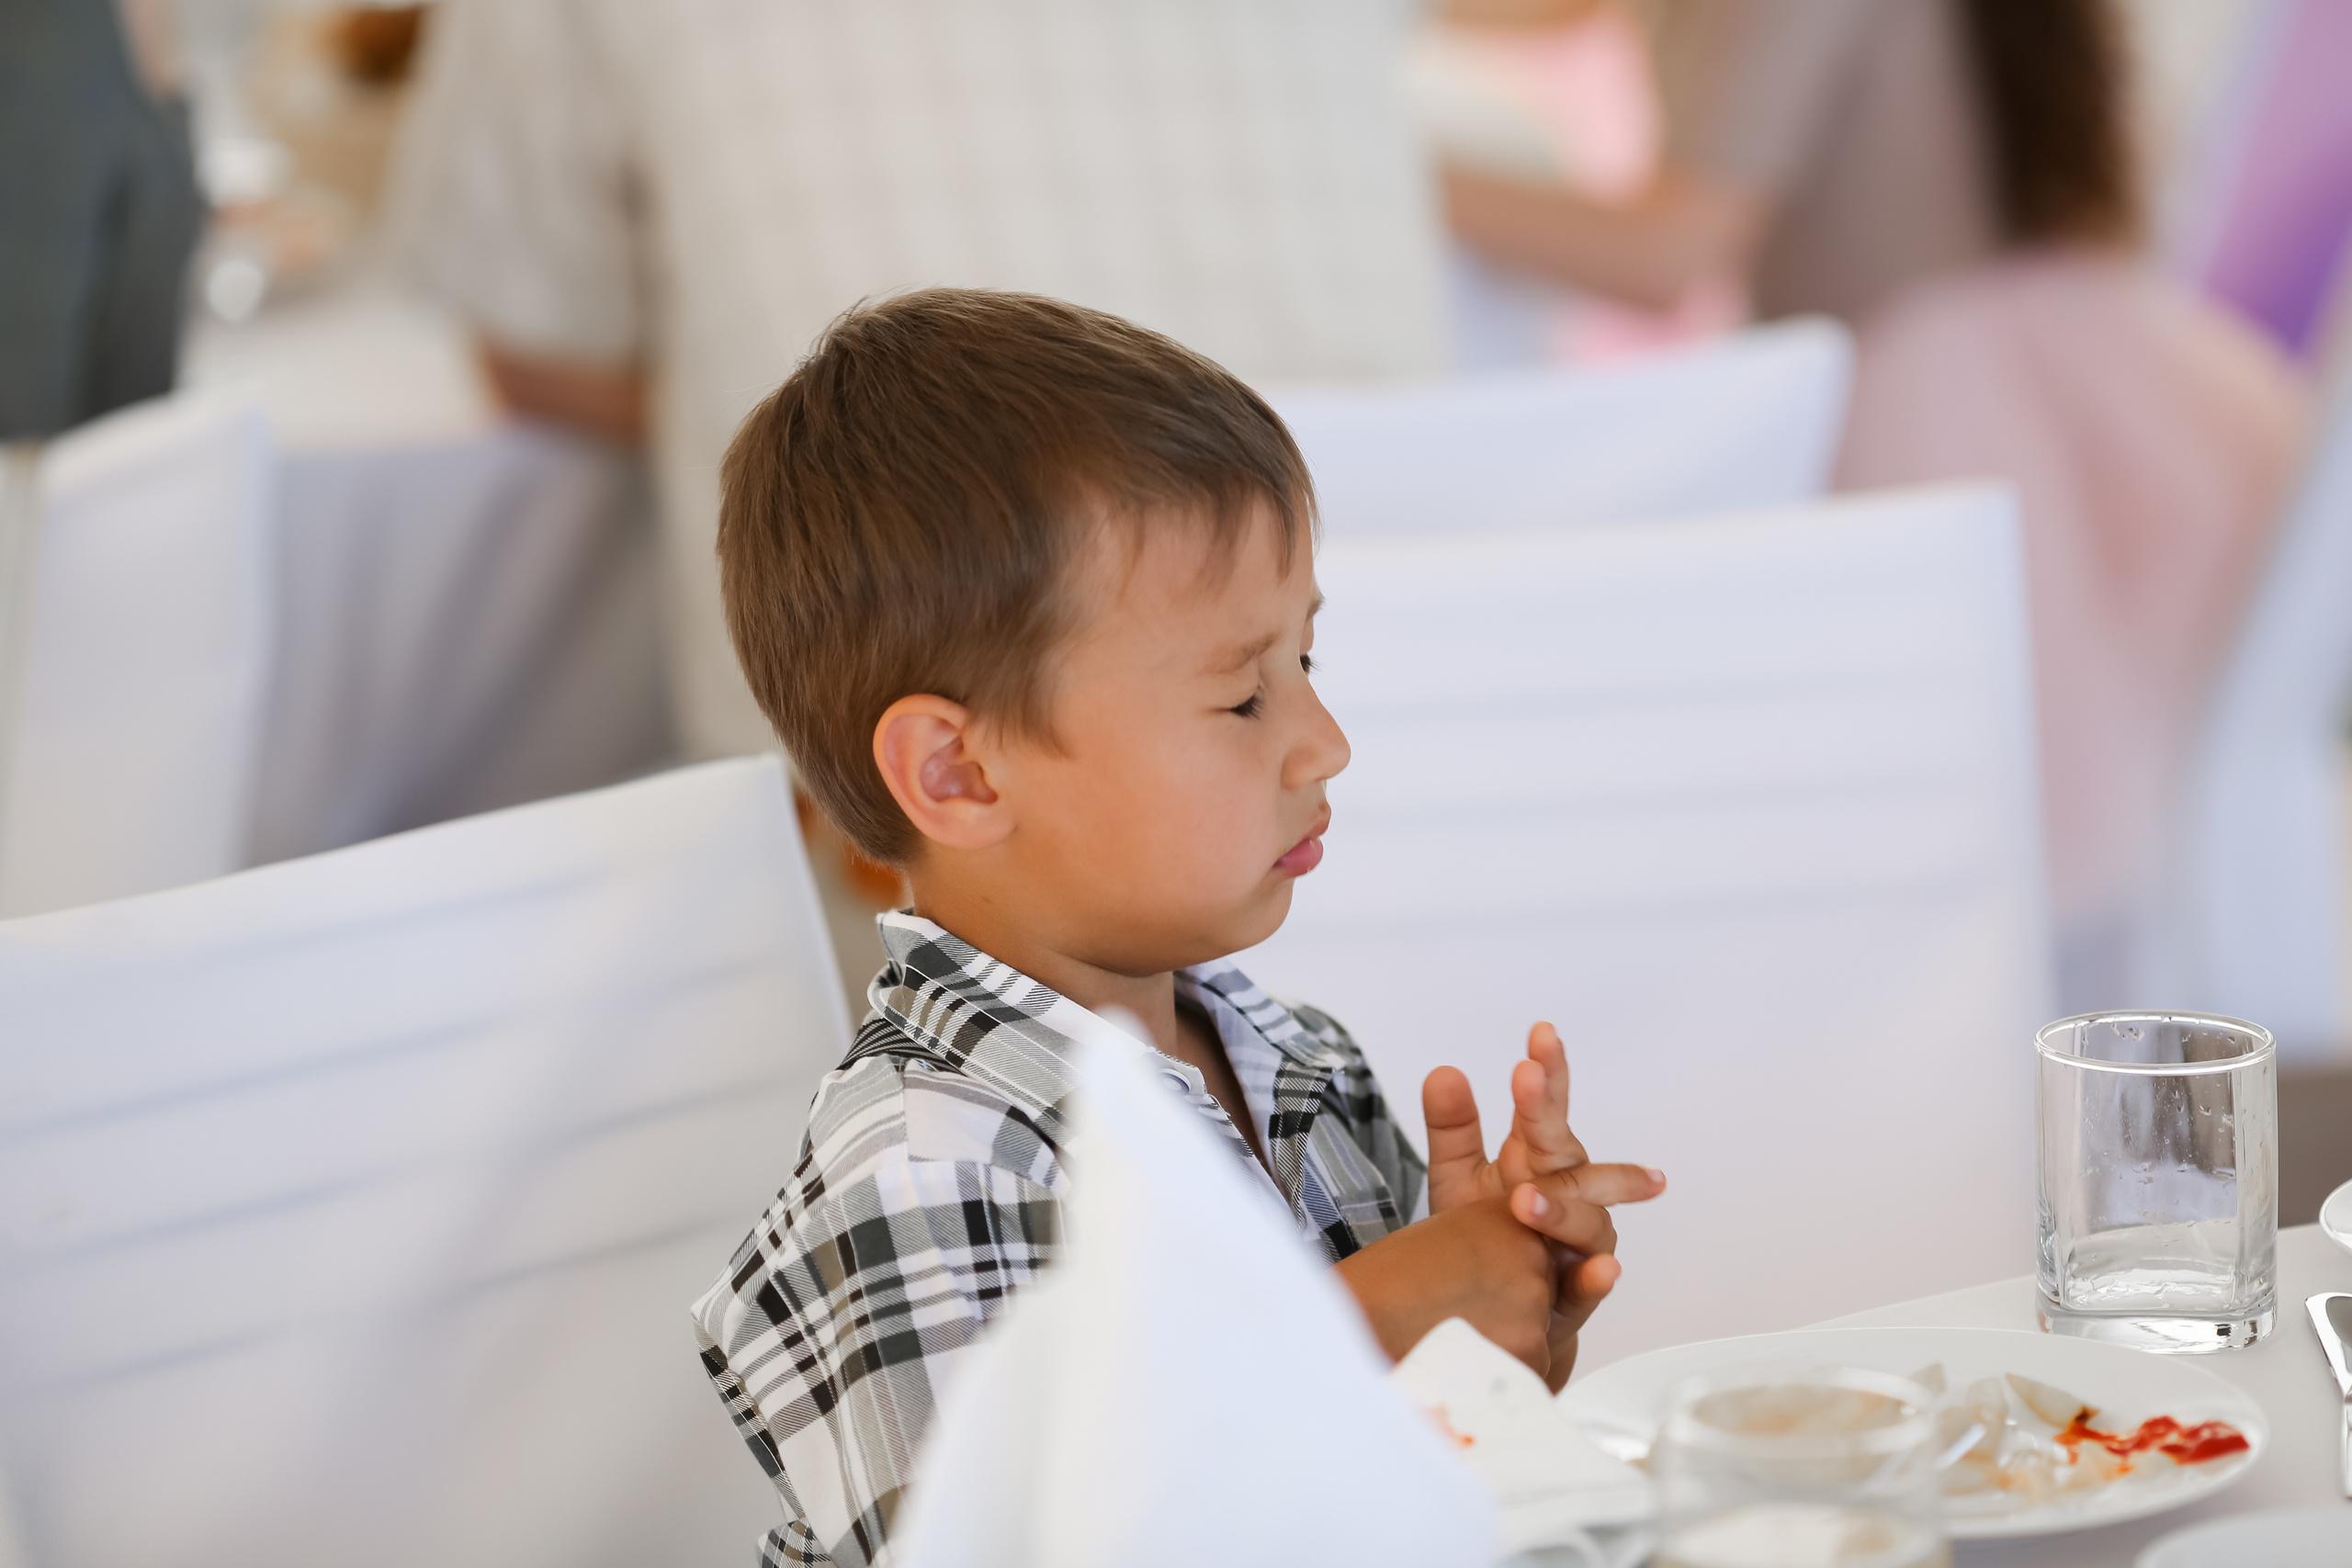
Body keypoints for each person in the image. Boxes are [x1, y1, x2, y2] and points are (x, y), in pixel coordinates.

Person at [690, 289, 1666, 1567]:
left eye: (1307, 661)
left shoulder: (1298, 1064)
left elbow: (1364, 1510)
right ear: (960, 776)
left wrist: (1490, 1349)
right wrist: (1353, 1331)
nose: (1326, 741)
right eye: (1242, 697)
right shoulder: (927, 1168)